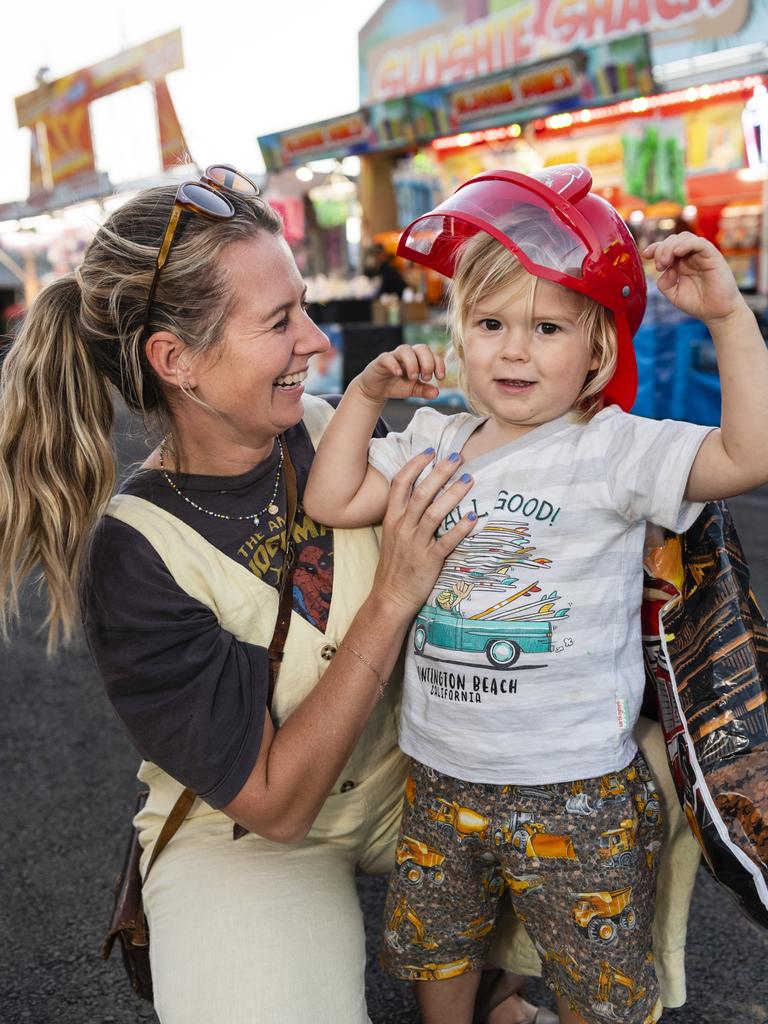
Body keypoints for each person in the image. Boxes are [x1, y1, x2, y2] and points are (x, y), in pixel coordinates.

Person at [0, 164, 554, 1024]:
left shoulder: (341, 429)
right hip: (254, 834)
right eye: (279, 321)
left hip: (424, 780)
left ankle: (492, 986)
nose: (318, 342)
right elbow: (275, 804)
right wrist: (392, 596)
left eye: (303, 304)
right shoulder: (136, 555)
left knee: (622, 770)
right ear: (175, 360)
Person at [303, 165, 768, 1024]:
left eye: (548, 326)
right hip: (440, 773)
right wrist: (366, 393)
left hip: (578, 786)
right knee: (438, 949)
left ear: (599, 351)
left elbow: (749, 455)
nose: (514, 349)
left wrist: (728, 316)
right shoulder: (436, 436)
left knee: (596, 978)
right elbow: (332, 499)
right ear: (459, 333)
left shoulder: (613, 448)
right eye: (490, 323)